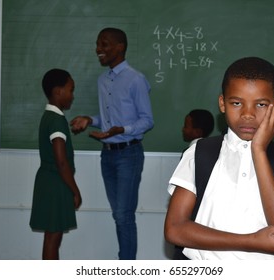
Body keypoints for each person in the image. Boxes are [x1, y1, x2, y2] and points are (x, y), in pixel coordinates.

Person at [164, 57, 274, 260]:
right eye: (237, 103)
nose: (247, 114)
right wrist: (249, 241)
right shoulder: (199, 152)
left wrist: (258, 151)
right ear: (222, 103)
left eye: (261, 105)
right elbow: (175, 229)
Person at [70, 27, 154, 260]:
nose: (99, 49)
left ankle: (125, 266)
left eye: (104, 44)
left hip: (129, 154)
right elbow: (109, 120)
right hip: (107, 156)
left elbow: (147, 120)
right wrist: (90, 120)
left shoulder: (135, 79)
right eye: (98, 44)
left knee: (123, 215)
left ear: (120, 47)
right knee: (119, 215)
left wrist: (122, 130)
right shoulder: (102, 80)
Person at [30, 68, 82, 260]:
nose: (72, 95)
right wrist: (75, 190)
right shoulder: (57, 121)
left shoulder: (49, 117)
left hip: (49, 180)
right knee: (54, 238)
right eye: (71, 89)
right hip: (56, 183)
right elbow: (61, 162)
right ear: (58, 91)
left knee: (51, 237)